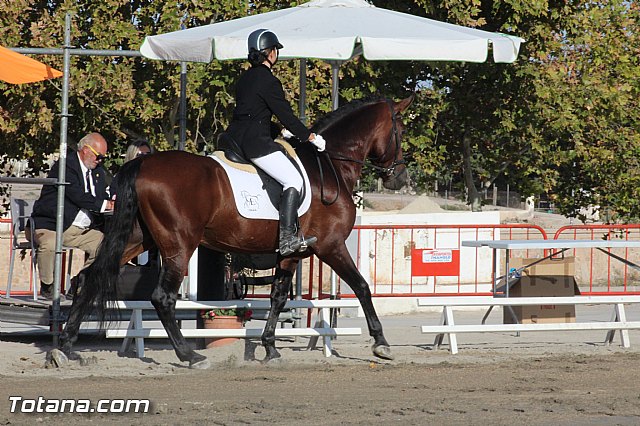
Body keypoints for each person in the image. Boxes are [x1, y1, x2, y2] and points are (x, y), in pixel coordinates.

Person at [225, 28, 326, 256]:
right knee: (293, 180)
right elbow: (286, 114)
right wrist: (309, 136)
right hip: (255, 144)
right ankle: (287, 238)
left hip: (233, 140)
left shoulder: (244, 79)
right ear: (270, 53)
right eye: (275, 51)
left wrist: (280, 131)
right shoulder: (269, 81)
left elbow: (253, 113)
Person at [31, 132, 113, 300]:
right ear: (85, 150)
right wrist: (106, 205)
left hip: (78, 230)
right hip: (51, 225)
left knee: (107, 245)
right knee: (49, 243)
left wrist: (111, 202)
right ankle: (47, 286)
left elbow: (99, 196)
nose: (100, 161)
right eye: (98, 156)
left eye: (103, 158)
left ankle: (79, 281)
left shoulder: (98, 172)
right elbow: (78, 196)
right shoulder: (65, 167)